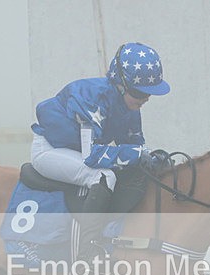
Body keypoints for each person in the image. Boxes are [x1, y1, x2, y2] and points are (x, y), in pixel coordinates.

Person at [30, 41, 170, 260]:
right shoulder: (92, 98)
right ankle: (86, 252)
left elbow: (135, 147)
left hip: (77, 151)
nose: (145, 99)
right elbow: (92, 156)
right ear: (120, 85)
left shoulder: (131, 107)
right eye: (139, 92)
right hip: (49, 150)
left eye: (148, 94)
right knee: (104, 176)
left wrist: (152, 158)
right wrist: (137, 154)